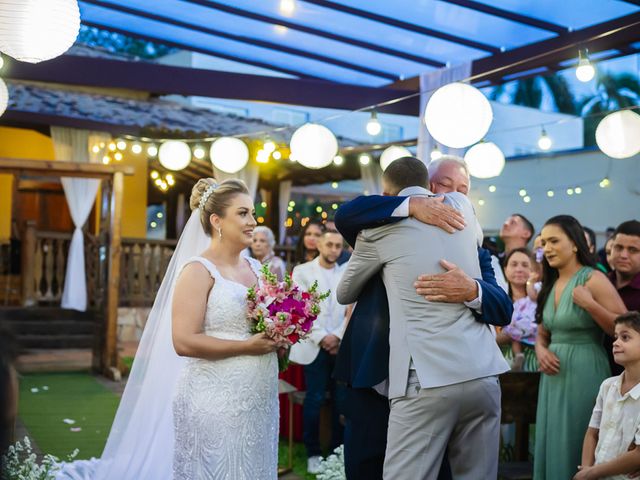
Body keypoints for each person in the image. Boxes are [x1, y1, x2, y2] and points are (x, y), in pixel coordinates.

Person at [58, 178, 281, 480]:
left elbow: (265, 320)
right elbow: (184, 341)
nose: (253, 222)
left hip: (259, 397)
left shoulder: (258, 269)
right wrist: (247, 346)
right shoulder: (198, 271)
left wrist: (283, 333)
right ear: (217, 220)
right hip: (214, 400)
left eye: (253, 213)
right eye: (243, 213)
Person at [334, 155, 512, 480]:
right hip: (376, 370)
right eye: (446, 187)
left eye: (463, 191)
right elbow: (345, 214)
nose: (454, 197)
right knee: (365, 463)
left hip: (428, 378)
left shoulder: (470, 242)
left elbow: (503, 307)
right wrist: (410, 205)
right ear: (428, 187)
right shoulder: (377, 224)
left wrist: (472, 289)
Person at [534, 215, 627, 480]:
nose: (547, 248)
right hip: (551, 377)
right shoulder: (550, 283)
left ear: (574, 244)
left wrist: (590, 305)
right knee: (552, 438)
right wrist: (541, 350)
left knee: (578, 436)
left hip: (585, 369)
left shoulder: (593, 278)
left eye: (554, 241)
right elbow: (542, 332)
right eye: (544, 243)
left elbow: (624, 328)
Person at [290, 230, 349, 474]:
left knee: (341, 401)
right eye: (330, 244)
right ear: (320, 245)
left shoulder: (347, 272)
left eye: (338, 246)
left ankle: (336, 451)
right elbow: (299, 309)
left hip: (340, 344)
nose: (334, 249)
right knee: (314, 399)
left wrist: (337, 335)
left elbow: (350, 307)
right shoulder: (302, 272)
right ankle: (313, 452)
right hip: (313, 345)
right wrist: (321, 337)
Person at [574, 311, 640, 480]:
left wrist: (591, 473)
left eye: (625, 337)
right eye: (616, 337)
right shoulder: (607, 386)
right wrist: (587, 469)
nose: (615, 342)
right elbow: (592, 433)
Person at [605, 220, 640, 375]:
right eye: (618, 247)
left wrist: (590, 304)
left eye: (633, 250)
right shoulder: (601, 282)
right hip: (598, 371)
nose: (623, 255)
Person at [496, 247, 538, 372]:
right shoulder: (497, 302)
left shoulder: (542, 300)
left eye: (525, 265)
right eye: (514, 264)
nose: (519, 269)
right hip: (503, 367)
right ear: (505, 270)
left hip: (538, 365)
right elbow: (491, 340)